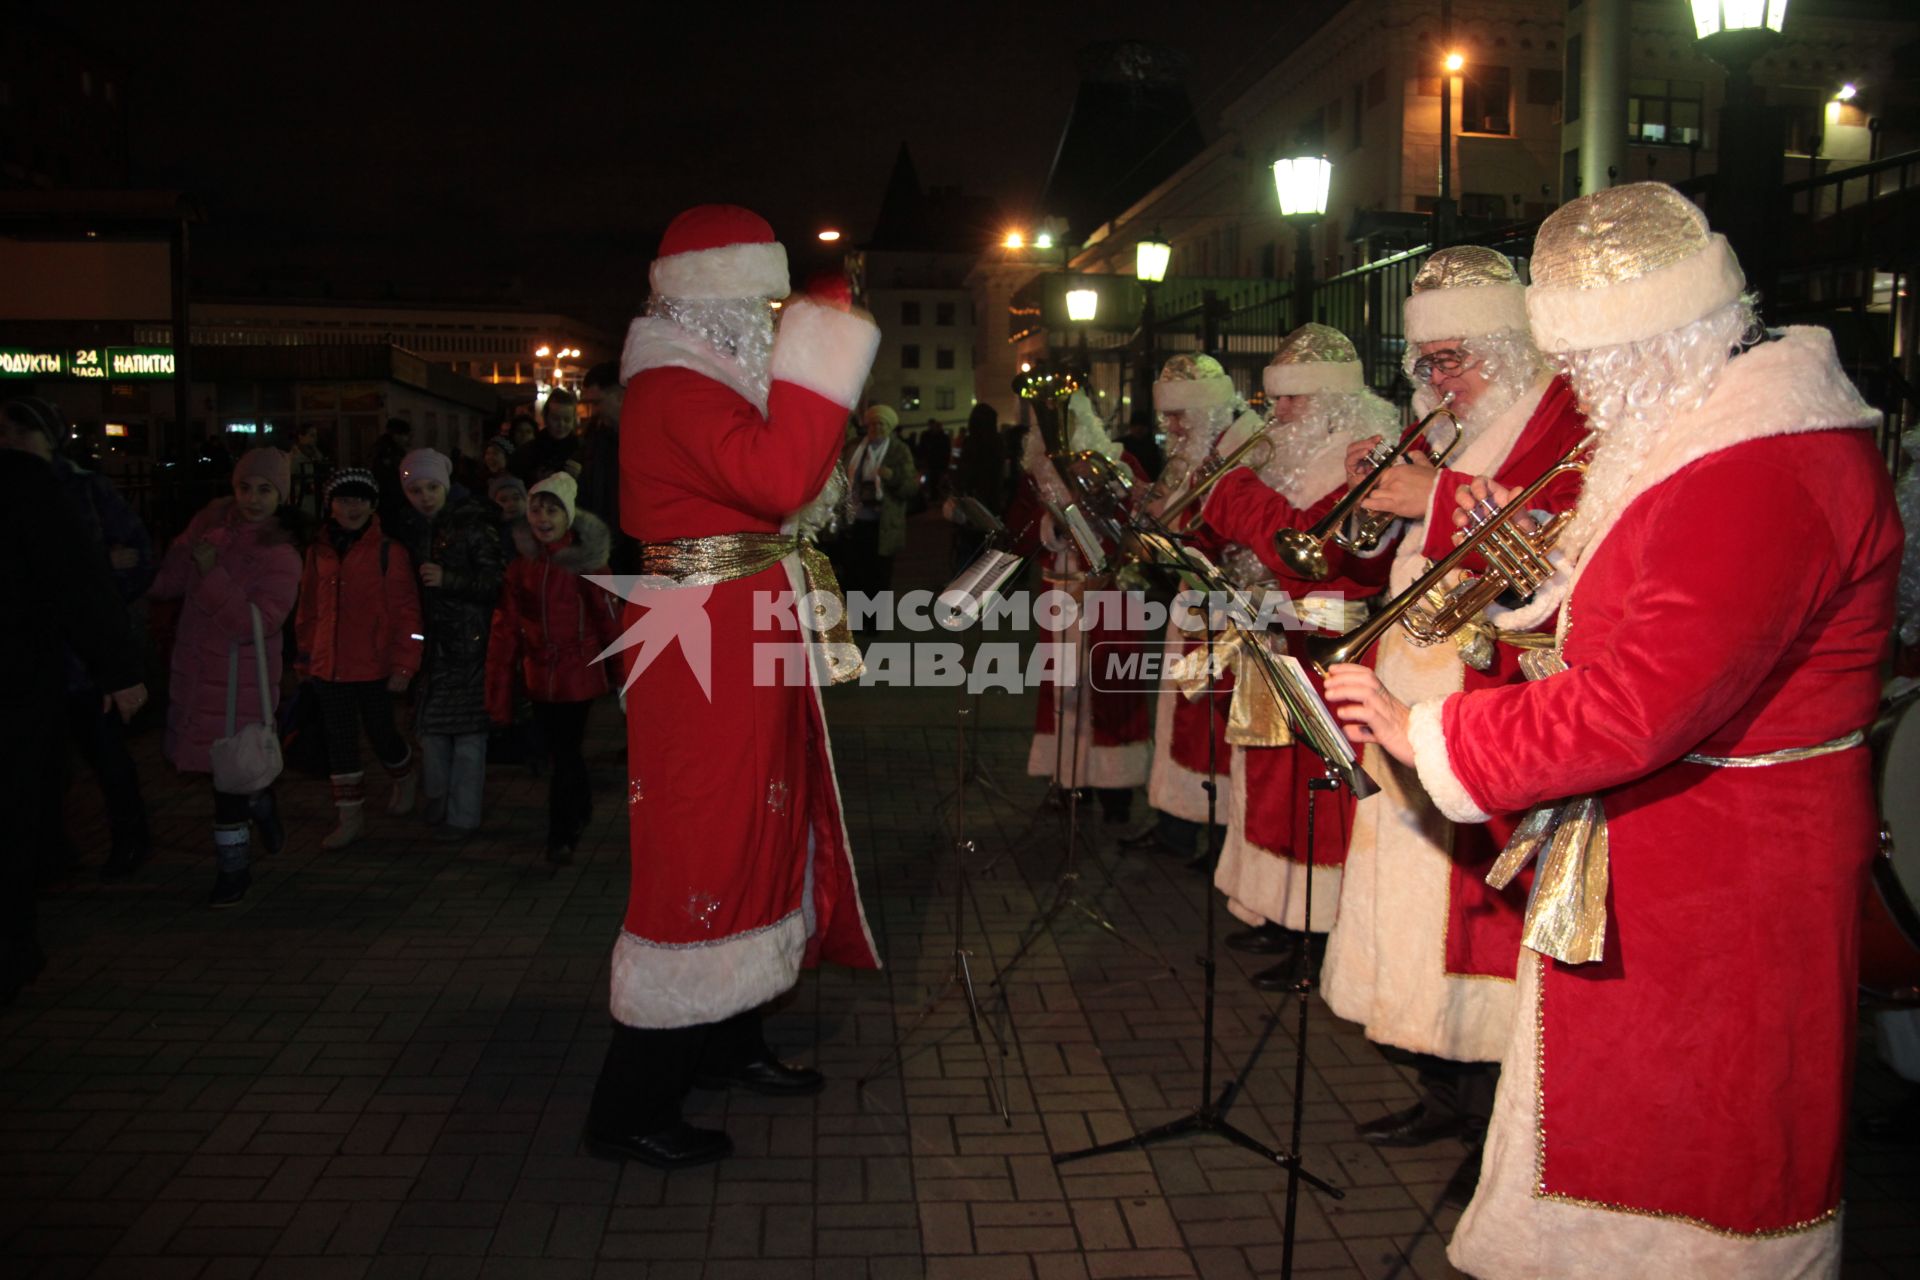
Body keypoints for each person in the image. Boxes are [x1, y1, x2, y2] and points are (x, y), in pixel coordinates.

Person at [1327, 182, 1901, 1279]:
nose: (1584, 393)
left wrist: (1428, 731)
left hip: (1724, 862)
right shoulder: (1711, 432)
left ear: (1659, 342)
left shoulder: (1760, 462)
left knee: (1694, 1155)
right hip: (1687, 841)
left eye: (1595, 365)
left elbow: (1643, 699)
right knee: (1630, 1134)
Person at [589, 204, 882, 1169]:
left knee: (766, 821)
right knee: (706, 845)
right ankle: (632, 1104)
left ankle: (727, 1039)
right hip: (703, 641)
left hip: (735, 625)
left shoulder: (702, 375)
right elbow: (784, 475)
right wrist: (826, 342)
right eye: (762, 302)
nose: (773, 318)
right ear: (717, 300)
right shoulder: (676, 383)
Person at [1307, 247, 1590, 1199]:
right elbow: (1393, 555)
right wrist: (1384, 507)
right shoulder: (1469, 426)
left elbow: (1553, 534)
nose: (1435, 382)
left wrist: (1425, 501)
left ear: (1510, 344)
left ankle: (1492, 1103)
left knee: (1474, 905)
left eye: (1452, 359)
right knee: (1418, 893)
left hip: (1482, 699)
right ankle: (1443, 1078)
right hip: (1411, 690)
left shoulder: (1559, 418)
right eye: (1424, 363)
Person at [1198, 325, 1402, 985]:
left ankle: (1324, 933)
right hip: (1276, 631)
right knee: (1273, 784)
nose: (1276, 413)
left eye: (1293, 401)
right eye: (1274, 400)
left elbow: (1316, 555)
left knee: (1322, 793)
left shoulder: (1364, 452)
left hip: (1328, 645)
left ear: (1332, 399)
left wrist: (1240, 498)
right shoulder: (1289, 451)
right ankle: (1287, 913)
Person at [0, 446, 148, 1002]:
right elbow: (76, 573)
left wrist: (115, 666)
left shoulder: (23, 483)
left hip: (16, 678)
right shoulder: (24, 482)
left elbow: (73, 573)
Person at [1, 398, 155, 879]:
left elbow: (120, 562)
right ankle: (49, 849)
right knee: (42, 765)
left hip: (81, 661)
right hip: (34, 660)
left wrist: (109, 593)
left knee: (105, 754)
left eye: (19, 434)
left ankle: (130, 839)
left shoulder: (82, 490)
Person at [149, 448, 304, 907]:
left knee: (227, 786)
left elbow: (257, 623)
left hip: (242, 684)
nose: (253, 500)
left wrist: (210, 572)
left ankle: (233, 870)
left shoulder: (281, 553)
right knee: (226, 777)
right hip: (198, 676)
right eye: (245, 488)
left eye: (265, 490)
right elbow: (166, 584)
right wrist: (183, 551)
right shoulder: (211, 529)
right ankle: (261, 802)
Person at [1121, 355, 1259, 869]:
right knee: (1182, 718)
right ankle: (1176, 823)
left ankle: (1217, 836)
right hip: (1190, 602)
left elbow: (1229, 531)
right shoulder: (1190, 455)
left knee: (1211, 725)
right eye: (1168, 416)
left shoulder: (1237, 453)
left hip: (1223, 608)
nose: (1172, 427)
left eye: (1181, 415)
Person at [1005, 387, 1152, 824]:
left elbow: (1137, 523)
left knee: (1109, 684)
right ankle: (1069, 780)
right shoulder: (1035, 472)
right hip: (1058, 588)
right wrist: (1049, 526)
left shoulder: (1120, 462)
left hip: (1106, 591)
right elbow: (1021, 524)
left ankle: (1116, 786)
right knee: (1063, 690)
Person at [486, 472, 618, 866]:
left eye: (553, 510)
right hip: (538, 675)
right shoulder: (521, 567)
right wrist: (498, 685)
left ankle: (561, 833)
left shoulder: (587, 564)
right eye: (537, 510)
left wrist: (625, 676)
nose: (543, 518)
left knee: (565, 751)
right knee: (561, 752)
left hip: (578, 673)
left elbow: (612, 622)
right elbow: (505, 627)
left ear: (569, 516)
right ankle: (580, 806)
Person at [294, 467, 422, 849]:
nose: (352, 508)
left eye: (360, 500)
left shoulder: (389, 552)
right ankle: (350, 817)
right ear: (329, 504)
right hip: (329, 666)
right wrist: (305, 657)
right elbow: (308, 609)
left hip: (374, 664)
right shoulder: (318, 551)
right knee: (340, 741)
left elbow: (408, 613)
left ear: (373, 505)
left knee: (382, 733)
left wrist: (405, 664)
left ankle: (404, 774)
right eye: (344, 499)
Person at [390, 447, 504, 841]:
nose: (424, 496)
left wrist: (450, 579)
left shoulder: (471, 525)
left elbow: (495, 582)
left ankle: (463, 815)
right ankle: (439, 801)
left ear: (446, 485)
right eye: (416, 489)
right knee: (432, 733)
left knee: (469, 735)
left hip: (469, 645)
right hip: (431, 647)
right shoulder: (408, 530)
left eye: (432, 487)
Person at [837, 403, 918, 613]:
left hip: (884, 525)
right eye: (873, 424)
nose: (877, 428)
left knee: (879, 575)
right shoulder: (855, 447)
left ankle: (875, 621)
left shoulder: (899, 450)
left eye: (882, 424)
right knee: (854, 573)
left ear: (890, 427)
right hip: (855, 521)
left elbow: (910, 488)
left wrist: (893, 477)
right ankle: (855, 620)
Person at [940, 402, 1006, 575]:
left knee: (967, 551)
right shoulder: (997, 442)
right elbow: (999, 477)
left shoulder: (969, 442)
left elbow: (960, 472)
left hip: (970, 506)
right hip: (990, 506)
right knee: (986, 553)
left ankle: (963, 589)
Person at [525, 389, 582, 483]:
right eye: (555, 419)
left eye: (567, 419)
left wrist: (581, 477)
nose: (561, 424)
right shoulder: (530, 451)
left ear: (573, 420)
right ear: (546, 418)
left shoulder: (583, 450)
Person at [370, 418, 412, 528]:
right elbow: (396, 473)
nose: (406, 439)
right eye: (404, 435)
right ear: (396, 435)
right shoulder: (387, 451)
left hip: (391, 497)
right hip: (390, 497)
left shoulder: (390, 450)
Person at [488, 473, 529, 561]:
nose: (511, 504)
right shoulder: (491, 533)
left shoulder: (536, 528)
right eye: (503, 500)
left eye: (516, 498)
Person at [917, 416, 951, 494]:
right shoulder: (931, 436)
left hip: (934, 462)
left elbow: (923, 448)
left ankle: (931, 492)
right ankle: (932, 492)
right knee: (931, 479)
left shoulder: (928, 435)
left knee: (932, 479)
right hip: (933, 462)